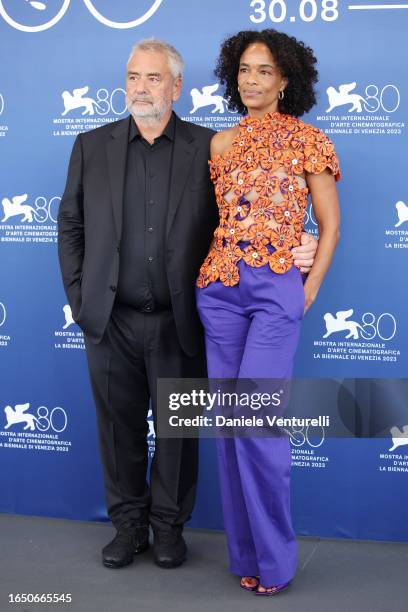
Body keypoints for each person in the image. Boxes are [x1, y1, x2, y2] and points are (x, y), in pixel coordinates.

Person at [57, 38, 318, 571]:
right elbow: (72, 226)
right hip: (110, 320)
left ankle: (169, 529)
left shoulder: (210, 147)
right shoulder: (90, 144)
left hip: (182, 320)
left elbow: (247, 216)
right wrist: (81, 299)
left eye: (153, 78)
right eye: (133, 77)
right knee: (118, 428)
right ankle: (128, 527)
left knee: (178, 431)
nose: (140, 88)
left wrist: (302, 240)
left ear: (176, 87)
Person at [196, 29, 340, 595]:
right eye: (244, 70)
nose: (251, 80)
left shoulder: (310, 140)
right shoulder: (220, 145)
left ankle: (276, 561)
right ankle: (246, 554)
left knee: (257, 425)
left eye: (264, 71)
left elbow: (329, 226)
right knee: (231, 428)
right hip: (218, 290)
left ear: (285, 80)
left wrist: (309, 287)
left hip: (277, 289)